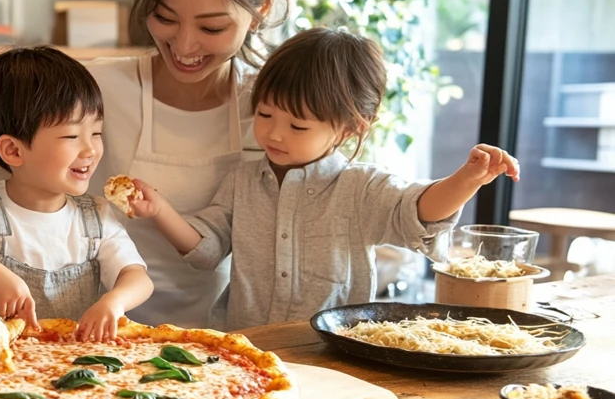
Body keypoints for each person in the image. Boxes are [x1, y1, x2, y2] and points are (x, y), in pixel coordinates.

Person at [129, 28, 521, 330]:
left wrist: (467, 179)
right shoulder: (243, 181)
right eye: (265, 115)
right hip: (249, 348)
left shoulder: (360, 187)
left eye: (298, 125)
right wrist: (160, 209)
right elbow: (207, 248)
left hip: (332, 355)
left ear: (350, 129)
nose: (274, 134)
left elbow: (416, 213)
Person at [87, 0, 297, 329]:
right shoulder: (94, 88)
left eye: (212, 27)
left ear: (262, 8)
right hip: (94, 332)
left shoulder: (277, 110)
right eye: (165, 18)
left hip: (229, 340)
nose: (184, 47)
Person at [0, 47, 153, 348]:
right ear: (13, 150)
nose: (90, 149)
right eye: (71, 136)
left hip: (74, 370)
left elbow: (138, 277)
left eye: (96, 132)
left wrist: (115, 301)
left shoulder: (97, 216)